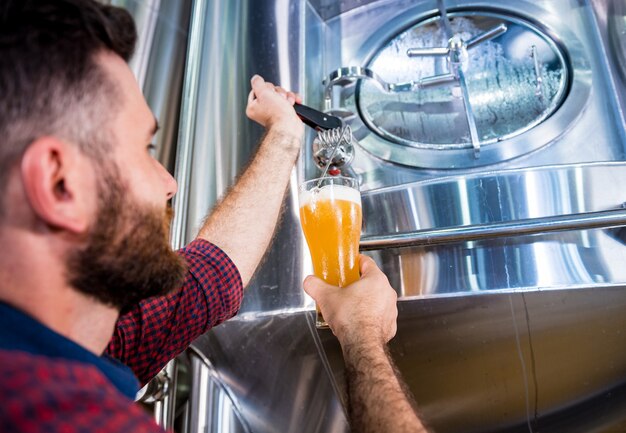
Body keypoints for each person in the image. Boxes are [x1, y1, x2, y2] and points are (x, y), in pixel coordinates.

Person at [0, 0, 427, 432]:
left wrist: (283, 134)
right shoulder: (69, 419)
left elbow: (212, 274)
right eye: (144, 151)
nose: (170, 182)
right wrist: (363, 339)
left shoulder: (83, 342)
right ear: (59, 184)